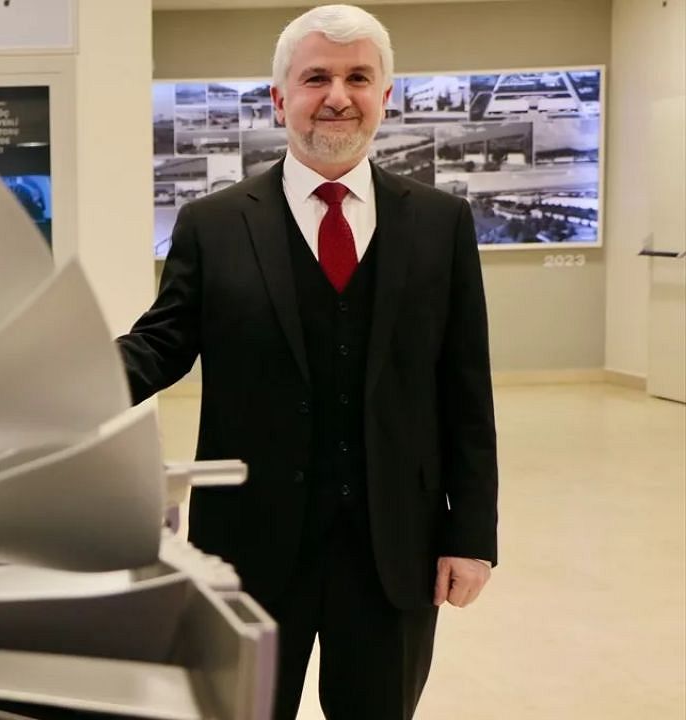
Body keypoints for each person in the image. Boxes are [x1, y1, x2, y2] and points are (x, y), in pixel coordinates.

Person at [116, 5, 498, 719]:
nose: (337, 96)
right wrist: (55, 382)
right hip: (249, 547)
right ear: (279, 97)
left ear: (385, 95)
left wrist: (471, 537)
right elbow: (158, 346)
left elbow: (465, 390)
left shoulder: (440, 223)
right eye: (316, 77)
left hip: (395, 550)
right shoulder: (213, 225)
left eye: (359, 78)